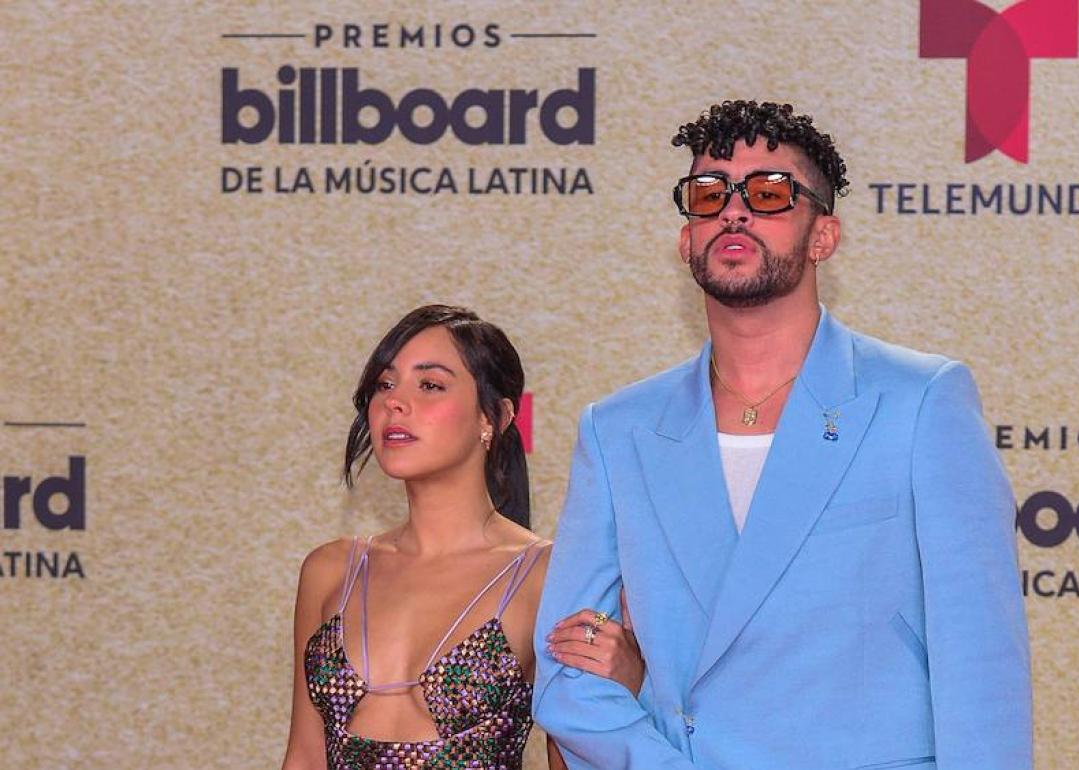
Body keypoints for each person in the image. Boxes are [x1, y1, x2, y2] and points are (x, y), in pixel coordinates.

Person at [535, 101, 1033, 769]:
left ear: (823, 236)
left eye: (769, 194)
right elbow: (566, 672)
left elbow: (981, 666)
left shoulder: (920, 402)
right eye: (709, 195)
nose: (733, 211)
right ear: (686, 240)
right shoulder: (617, 431)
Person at [281, 305, 645, 770]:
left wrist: (632, 686)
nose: (395, 402)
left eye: (430, 384)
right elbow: (304, 756)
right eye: (385, 384)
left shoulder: (548, 575)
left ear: (493, 416)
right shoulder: (331, 570)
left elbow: (574, 755)